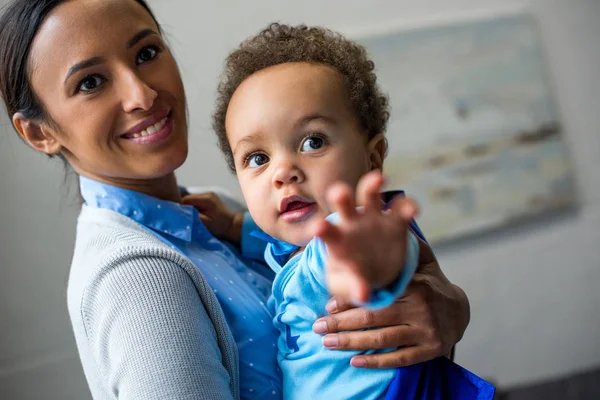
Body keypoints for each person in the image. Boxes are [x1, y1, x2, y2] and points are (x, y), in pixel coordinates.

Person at [0, 1, 471, 399]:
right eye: (90, 83)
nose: (141, 94)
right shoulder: (136, 276)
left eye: (146, 53)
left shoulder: (223, 214)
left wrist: (444, 309)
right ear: (39, 132)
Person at [194, 23, 494, 400]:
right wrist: (236, 224)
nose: (283, 171)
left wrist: (373, 269)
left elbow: (359, 259)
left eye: (312, 141)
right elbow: (277, 244)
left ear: (372, 158)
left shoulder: (348, 233)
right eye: (258, 158)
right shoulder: (294, 244)